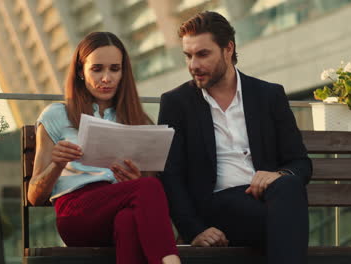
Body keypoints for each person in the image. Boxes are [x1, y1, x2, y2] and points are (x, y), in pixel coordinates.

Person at [158, 11, 312, 264]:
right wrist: (195, 231)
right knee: (288, 214)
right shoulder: (176, 103)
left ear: (228, 49)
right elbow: (171, 175)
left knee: (288, 186)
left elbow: (301, 163)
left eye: (203, 54)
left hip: (268, 201)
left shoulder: (269, 95)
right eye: (188, 55)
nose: (193, 65)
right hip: (218, 207)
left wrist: (277, 175)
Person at [28, 32, 181, 264]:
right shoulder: (56, 115)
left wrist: (133, 179)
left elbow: (148, 191)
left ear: (123, 73)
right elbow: (34, 196)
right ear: (81, 71)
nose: (106, 78)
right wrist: (57, 164)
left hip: (121, 207)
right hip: (76, 212)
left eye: (114, 69)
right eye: (97, 69)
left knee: (128, 220)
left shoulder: (137, 120)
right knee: (146, 188)